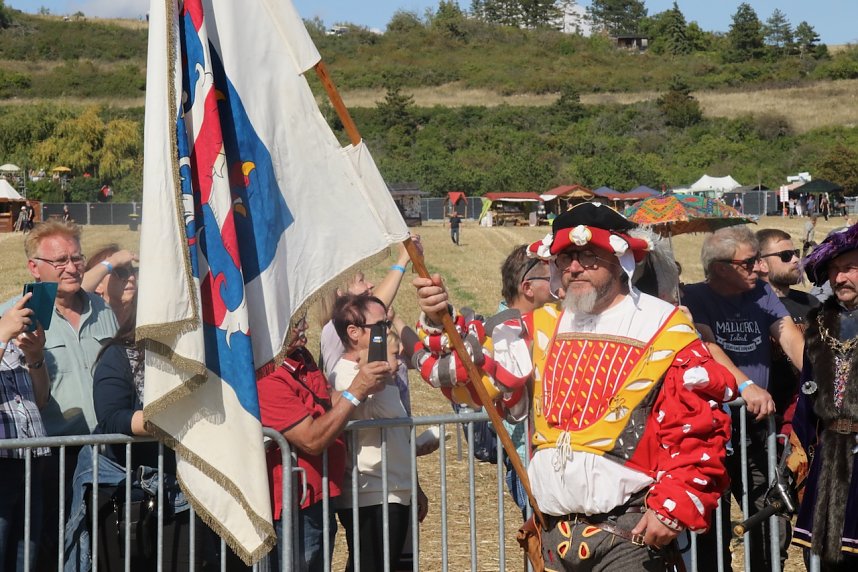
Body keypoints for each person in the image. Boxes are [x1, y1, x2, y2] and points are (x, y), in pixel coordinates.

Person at [414, 203, 736, 570]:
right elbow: (476, 381)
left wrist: (672, 506)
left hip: (629, 536)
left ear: (620, 260)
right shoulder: (538, 328)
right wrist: (439, 318)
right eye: (565, 257)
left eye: (589, 256)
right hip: (553, 535)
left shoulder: (663, 327)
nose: (575, 267)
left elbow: (697, 429)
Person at [682, 225, 805, 572]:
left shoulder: (761, 293)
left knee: (768, 516)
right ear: (721, 267)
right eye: (749, 262)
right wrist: (745, 385)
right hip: (712, 430)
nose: (759, 268)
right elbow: (707, 345)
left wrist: (819, 380)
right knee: (711, 524)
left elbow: (789, 336)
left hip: (754, 431)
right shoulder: (693, 297)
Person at [0, 221, 118, 570]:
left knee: (93, 544)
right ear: (34, 268)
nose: (72, 267)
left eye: (77, 258)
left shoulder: (103, 310)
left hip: (105, 449)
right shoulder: (15, 314)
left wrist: (36, 358)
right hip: (49, 457)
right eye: (60, 260)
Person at [257, 314, 388, 571]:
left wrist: (361, 387)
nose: (304, 326)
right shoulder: (267, 378)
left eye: (304, 318)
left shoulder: (300, 359)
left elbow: (325, 402)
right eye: (295, 322)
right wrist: (357, 390)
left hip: (318, 498)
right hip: (293, 508)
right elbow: (312, 439)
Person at [329, 294, 427, 572]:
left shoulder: (380, 373)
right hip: (370, 493)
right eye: (380, 326)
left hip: (394, 490)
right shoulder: (345, 375)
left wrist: (414, 486)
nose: (387, 331)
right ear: (354, 332)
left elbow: (397, 433)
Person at [792, 223, 858, 569]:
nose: (839, 277)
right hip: (830, 455)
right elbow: (807, 396)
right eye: (833, 269)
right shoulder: (819, 324)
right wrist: (799, 454)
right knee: (826, 557)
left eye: (848, 268)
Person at [497, 245, 554, 517]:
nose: (558, 280)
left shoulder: (553, 321)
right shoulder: (501, 334)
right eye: (550, 276)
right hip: (529, 461)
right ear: (528, 288)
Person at [317, 238, 420, 378]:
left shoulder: (373, 328)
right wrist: (402, 260)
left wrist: (394, 319)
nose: (370, 284)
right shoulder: (333, 328)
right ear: (341, 292)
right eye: (361, 281)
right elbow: (380, 301)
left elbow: (415, 359)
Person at [0, 294, 50, 571]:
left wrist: (35, 358)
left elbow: (40, 400)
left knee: (25, 562)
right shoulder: (4, 332)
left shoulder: (11, 335)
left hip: (30, 465)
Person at [756, 228, 820, 423]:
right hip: (770, 416)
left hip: (811, 411)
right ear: (761, 263)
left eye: (796, 253)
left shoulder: (811, 302)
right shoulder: (753, 305)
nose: (795, 260)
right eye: (785, 255)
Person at [82, 244, 139, 326]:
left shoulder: (143, 314)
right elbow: (76, 291)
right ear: (98, 285)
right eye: (121, 272)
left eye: (133, 271)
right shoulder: (92, 319)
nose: (132, 278)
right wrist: (113, 261)